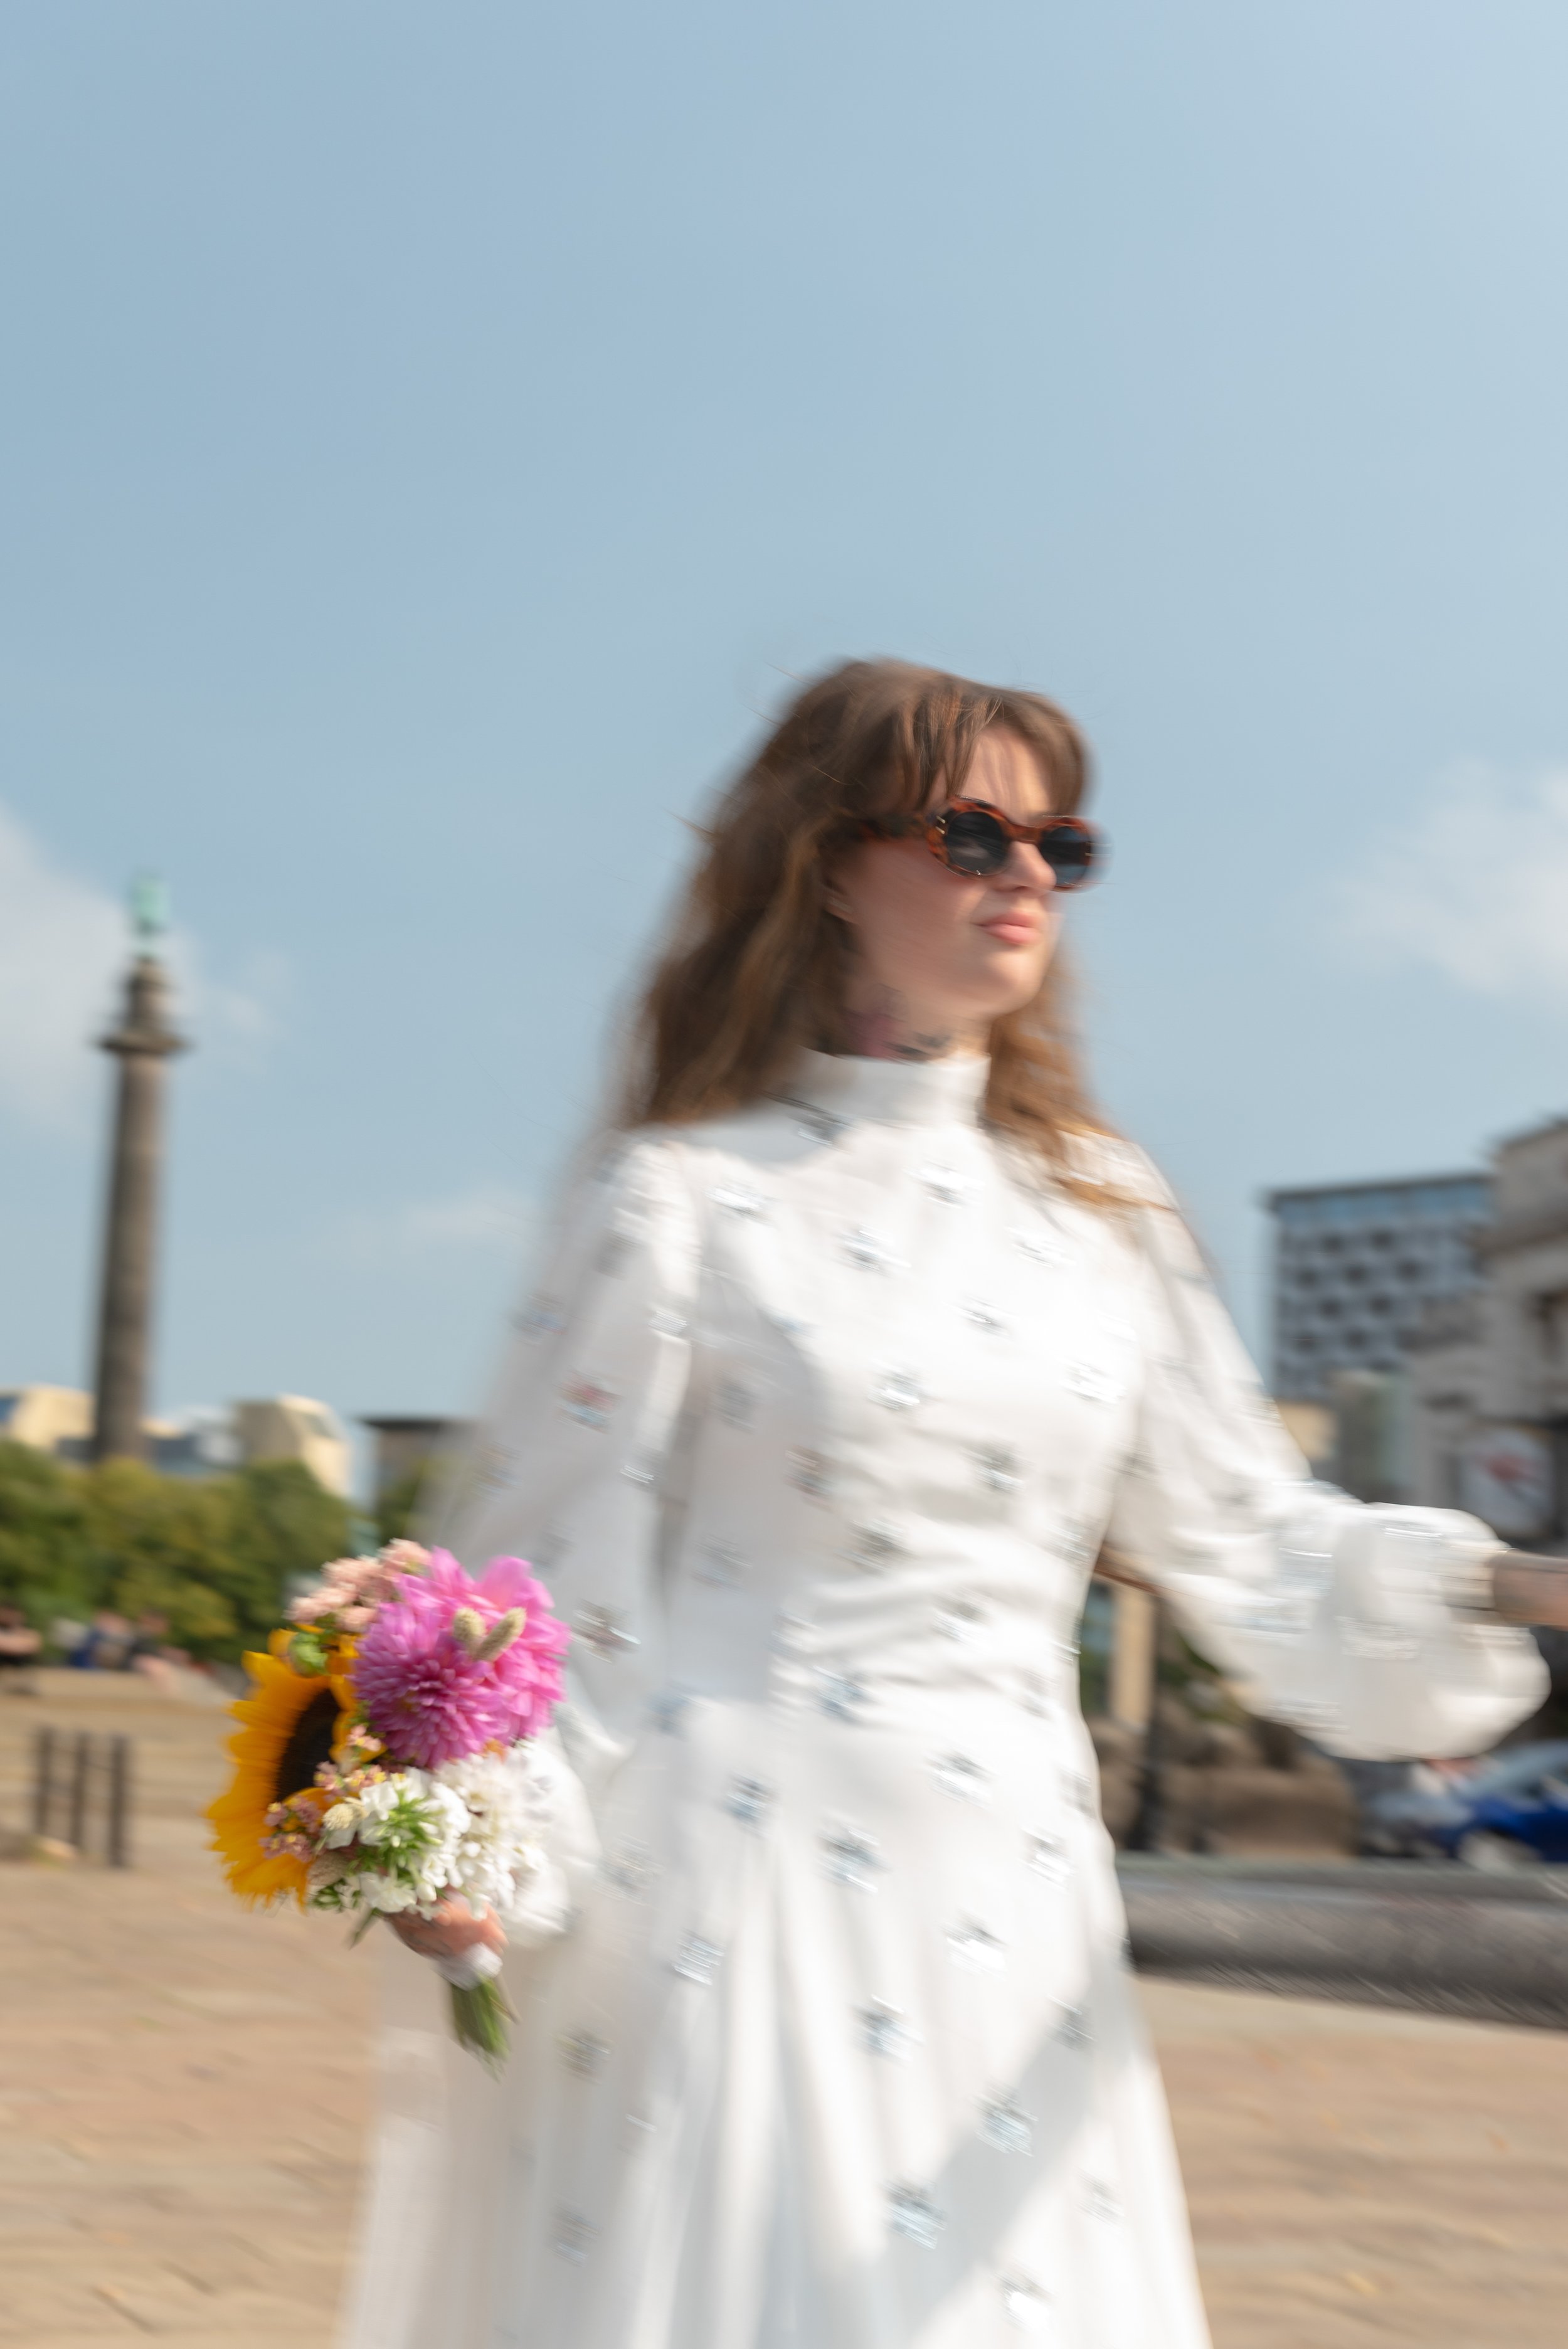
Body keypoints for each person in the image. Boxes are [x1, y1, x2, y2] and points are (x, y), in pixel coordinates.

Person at [344, 660, 1545, 2349]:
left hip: (1013, 1911)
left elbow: (1252, 1534)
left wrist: (1496, 1592)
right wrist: (476, 1837)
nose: (1029, 875)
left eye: (1062, 842)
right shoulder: (682, 1198)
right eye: (972, 829)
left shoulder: (1101, 1203)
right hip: (726, 1922)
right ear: (826, 859)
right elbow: (561, 1601)